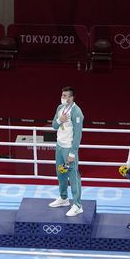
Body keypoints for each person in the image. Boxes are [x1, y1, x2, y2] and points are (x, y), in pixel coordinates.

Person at [49, 87, 85, 217]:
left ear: (71, 98)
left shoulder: (77, 113)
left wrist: (72, 153)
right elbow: (54, 125)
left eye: (65, 96)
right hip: (59, 145)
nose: (62, 97)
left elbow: (77, 135)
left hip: (69, 148)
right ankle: (63, 198)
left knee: (73, 176)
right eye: (62, 95)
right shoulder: (60, 108)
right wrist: (60, 120)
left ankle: (77, 205)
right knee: (60, 173)